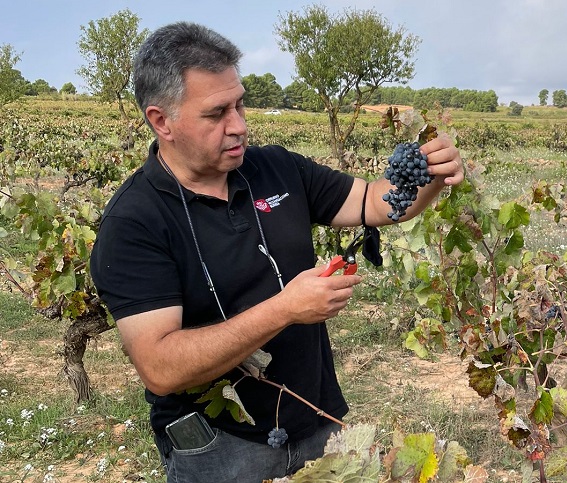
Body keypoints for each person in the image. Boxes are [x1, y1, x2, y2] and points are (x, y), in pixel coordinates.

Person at [89, 21, 463, 482]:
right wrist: (286, 309)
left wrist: (431, 176)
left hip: (316, 421)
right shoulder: (134, 222)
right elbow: (160, 367)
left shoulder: (275, 168)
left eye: (240, 103)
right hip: (219, 447)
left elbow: (376, 203)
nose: (239, 126)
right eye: (216, 113)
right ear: (161, 120)